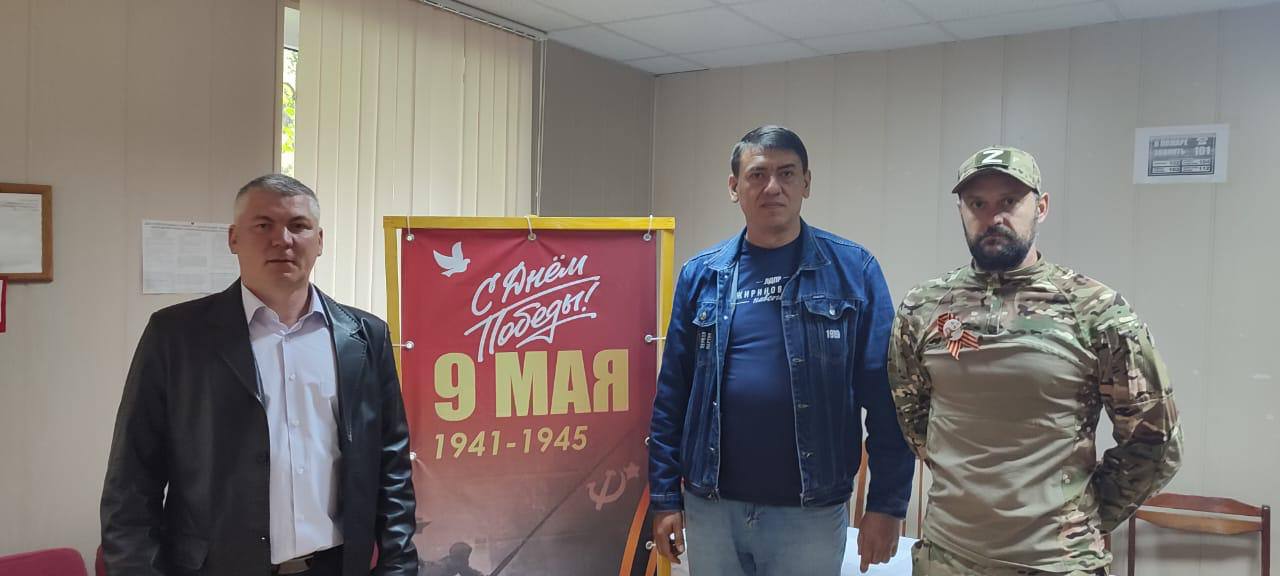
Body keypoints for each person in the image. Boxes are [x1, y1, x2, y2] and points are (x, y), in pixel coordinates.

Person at [101, 174, 418, 575]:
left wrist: (398, 566)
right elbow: (131, 481)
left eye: (298, 226)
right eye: (264, 225)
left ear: (320, 241)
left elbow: (392, 466)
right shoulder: (176, 336)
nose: (282, 239)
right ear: (234, 238)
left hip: (335, 566)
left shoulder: (366, 337)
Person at [888, 146, 1183, 576]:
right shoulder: (923, 307)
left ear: (1040, 207)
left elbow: (1155, 439)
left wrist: (1083, 518)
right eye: (977, 204)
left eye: (1009, 201)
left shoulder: (1096, 311)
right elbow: (914, 419)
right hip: (947, 557)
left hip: (1057, 562)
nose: (993, 216)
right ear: (961, 211)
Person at [648, 125, 915, 575]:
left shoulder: (853, 271)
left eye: (787, 173)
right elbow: (672, 394)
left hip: (809, 514)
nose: (772, 186)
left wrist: (886, 505)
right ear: (734, 187)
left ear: (806, 183)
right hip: (711, 508)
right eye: (757, 174)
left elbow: (887, 398)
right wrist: (663, 497)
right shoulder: (701, 275)